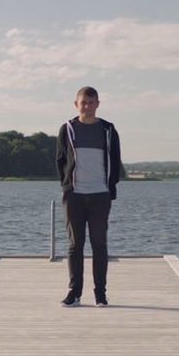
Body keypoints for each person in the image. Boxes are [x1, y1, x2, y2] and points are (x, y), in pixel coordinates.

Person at [56, 86, 121, 307]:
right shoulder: (67, 129)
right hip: (74, 195)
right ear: (77, 104)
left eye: (92, 102)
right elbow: (61, 160)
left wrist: (110, 186)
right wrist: (67, 186)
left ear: (98, 104)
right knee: (75, 245)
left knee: (99, 244)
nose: (88, 106)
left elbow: (115, 159)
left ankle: (100, 294)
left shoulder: (108, 130)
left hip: (100, 195)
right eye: (84, 102)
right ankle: (75, 292)